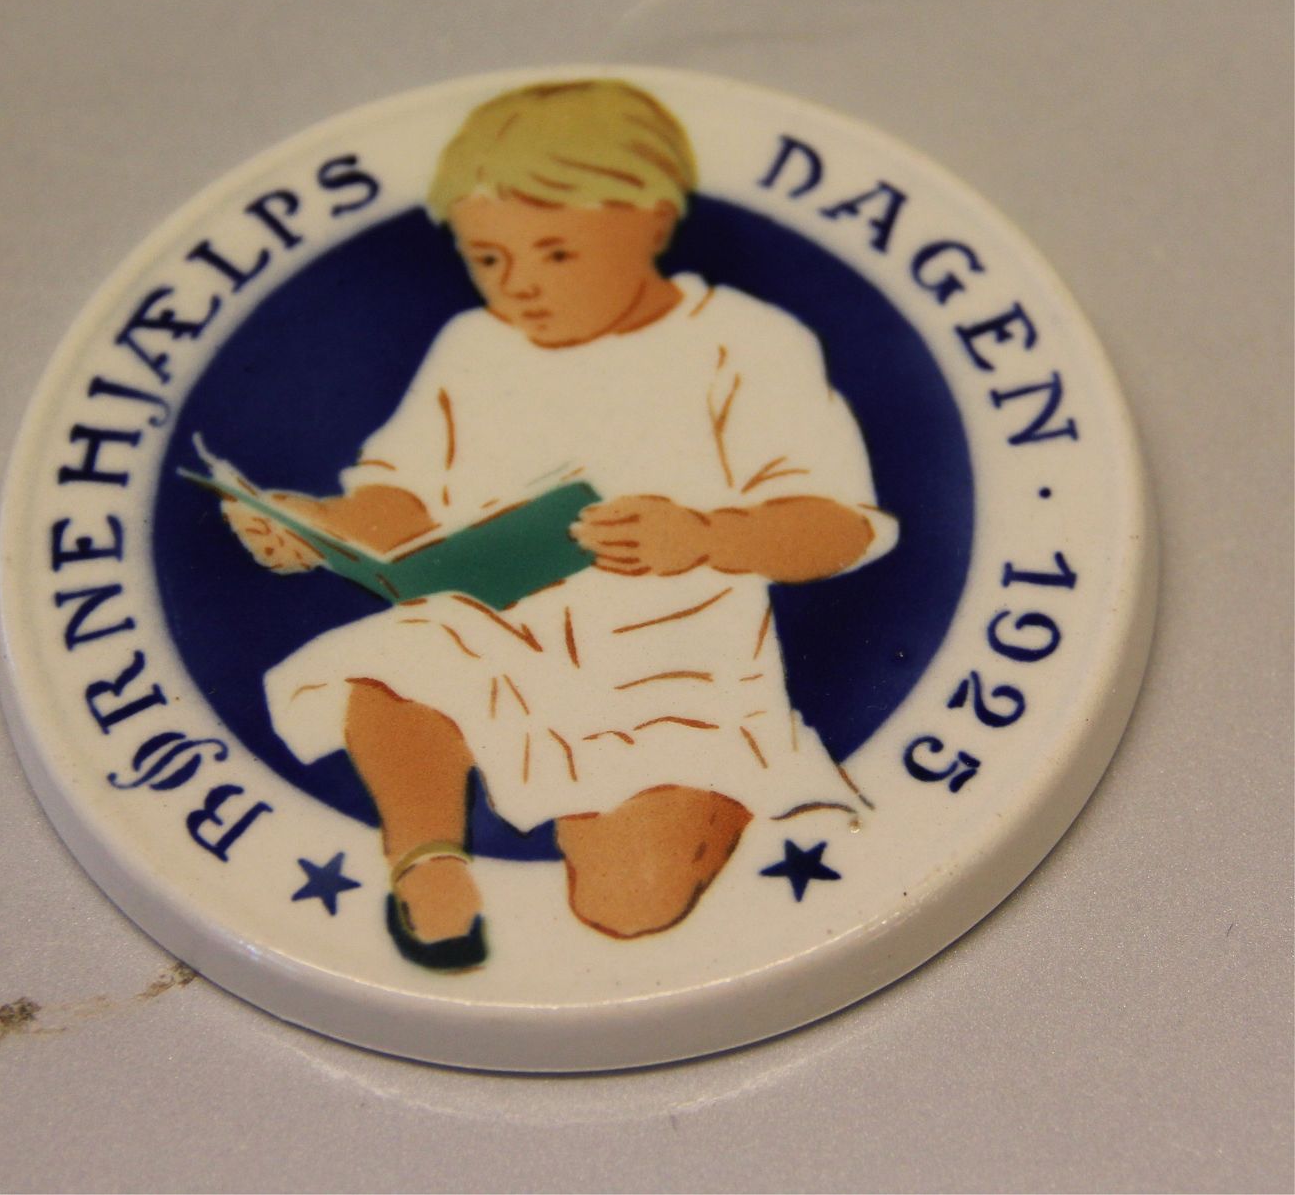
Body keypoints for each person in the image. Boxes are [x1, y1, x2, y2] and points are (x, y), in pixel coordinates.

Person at [222, 80, 897, 970]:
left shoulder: (744, 342)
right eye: (488, 258)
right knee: (390, 671)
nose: (521, 286)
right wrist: (317, 525)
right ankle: (428, 863)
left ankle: (713, 804)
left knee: (627, 902)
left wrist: (704, 534)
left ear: (652, 223)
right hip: (501, 639)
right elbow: (403, 501)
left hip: (676, 676)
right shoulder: (473, 348)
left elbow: (837, 526)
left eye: (556, 253)